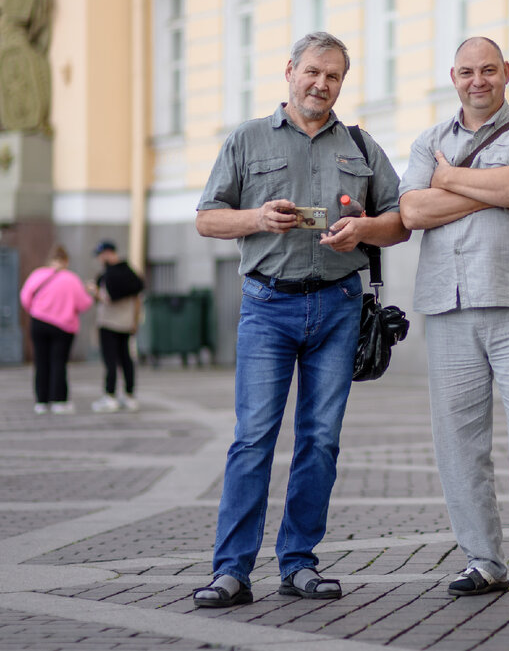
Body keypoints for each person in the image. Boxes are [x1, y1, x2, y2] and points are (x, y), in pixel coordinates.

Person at [193, 31, 409, 607]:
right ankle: (231, 571)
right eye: (313, 72)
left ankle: (299, 563)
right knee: (253, 439)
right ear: (290, 70)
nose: (321, 84)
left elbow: (399, 220)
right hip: (267, 306)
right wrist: (258, 217)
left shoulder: (360, 146)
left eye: (333, 76)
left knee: (320, 440)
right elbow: (207, 219)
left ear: (342, 82)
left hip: (338, 306)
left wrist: (362, 230)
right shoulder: (247, 138)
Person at [399, 37, 509, 604]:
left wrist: (450, 180)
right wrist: (493, 192)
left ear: (506, 72)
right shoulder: (429, 140)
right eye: (467, 72)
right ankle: (483, 560)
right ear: (452, 77)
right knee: (458, 441)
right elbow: (411, 210)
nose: (478, 80)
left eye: (488, 70)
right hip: (448, 305)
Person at [19, 244, 93, 415]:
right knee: (58, 362)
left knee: (41, 362)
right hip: (63, 326)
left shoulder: (38, 274)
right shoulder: (72, 279)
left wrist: (38, 310)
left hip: (39, 322)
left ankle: (41, 402)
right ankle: (59, 400)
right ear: (66, 261)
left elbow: (25, 298)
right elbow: (84, 304)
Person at [89, 240, 144, 413]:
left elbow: (108, 297)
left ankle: (110, 395)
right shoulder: (130, 273)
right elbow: (137, 298)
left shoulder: (108, 275)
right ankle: (129, 395)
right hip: (126, 323)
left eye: (100, 255)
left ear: (106, 253)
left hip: (108, 323)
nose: (99, 259)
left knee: (110, 360)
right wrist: (135, 321)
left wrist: (93, 291)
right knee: (126, 359)